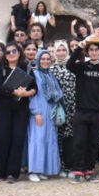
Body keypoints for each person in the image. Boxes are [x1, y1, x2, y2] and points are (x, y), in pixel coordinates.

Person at [67, 35, 99, 183]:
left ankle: (89, 170)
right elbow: (69, 65)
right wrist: (79, 48)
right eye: (91, 50)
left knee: (94, 143)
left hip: (98, 112)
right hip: (81, 111)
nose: (94, 52)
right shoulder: (81, 67)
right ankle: (78, 171)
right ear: (88, 52)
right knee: (79, 142)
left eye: (96, 50)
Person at [0, 43, 35, 182]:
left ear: (19, 52)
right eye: (8, 52)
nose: (11, 54)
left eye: (14, 51)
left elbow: (35, 87)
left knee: (18, 139)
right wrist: (13, 92)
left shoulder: (26, 68)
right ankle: (1, 172)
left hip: (21, 109)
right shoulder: (1, 69)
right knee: (3, 139)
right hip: (4, 109)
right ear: (5, 55)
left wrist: (26, 93)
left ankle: (13, 173)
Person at [27, 49, 62, 181]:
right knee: (37, 140)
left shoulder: (50, 75)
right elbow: (32, 95)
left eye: (48, 59)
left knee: (48, 140)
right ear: (38, 60)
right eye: (43, 59)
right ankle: (34, 170)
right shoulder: (34, 74)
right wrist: (36, 111)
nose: (45, 61)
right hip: (39, 111)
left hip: (50, 112)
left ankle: (43, 169)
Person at [49, 41, 75, 176]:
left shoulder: (73, 66)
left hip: (72, 106)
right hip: (57, 107)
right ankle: (60, 166)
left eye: (63, 50)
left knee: (70, 138)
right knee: (58, 137)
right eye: (58, 50)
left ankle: (70, 166)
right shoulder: (51, 69)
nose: (61, 53)